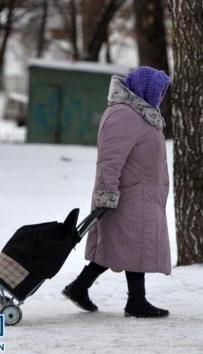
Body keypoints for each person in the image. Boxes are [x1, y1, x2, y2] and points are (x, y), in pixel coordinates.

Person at [62, 66, 172, 318]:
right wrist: (106, 194)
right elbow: (109, 161)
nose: (161, 97)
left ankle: (80, 287)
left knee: (123, 246)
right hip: (129, 195)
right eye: (159, 91)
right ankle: (136, 301)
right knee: (132, 246)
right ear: (144, 89)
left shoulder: (140, 114)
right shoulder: (124, 115)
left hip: (140, 195)